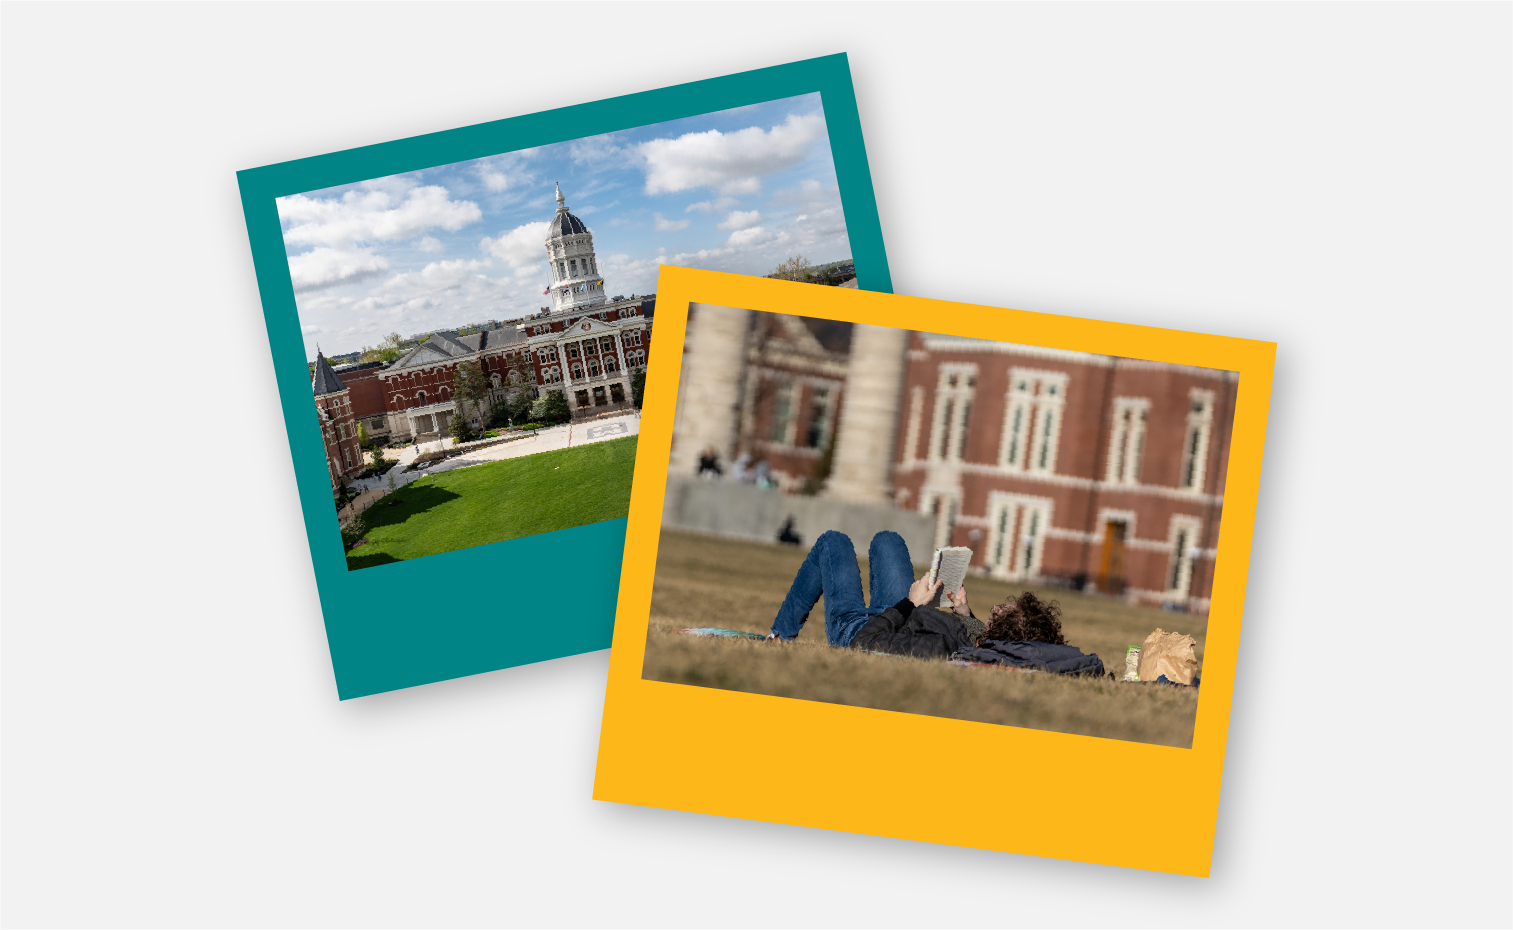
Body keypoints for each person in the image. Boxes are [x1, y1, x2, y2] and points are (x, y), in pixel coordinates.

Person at [768, 530, 1072, 661]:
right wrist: (964, 613)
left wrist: (910, 604)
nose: (997, 606)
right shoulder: (991, 643)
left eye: (1002, 610)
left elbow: (867, 643)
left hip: (859, 629)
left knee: (832, 542)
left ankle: (779, 634)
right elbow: (981, 635)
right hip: (900, 615)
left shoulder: (945, 647)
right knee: (889, 541)